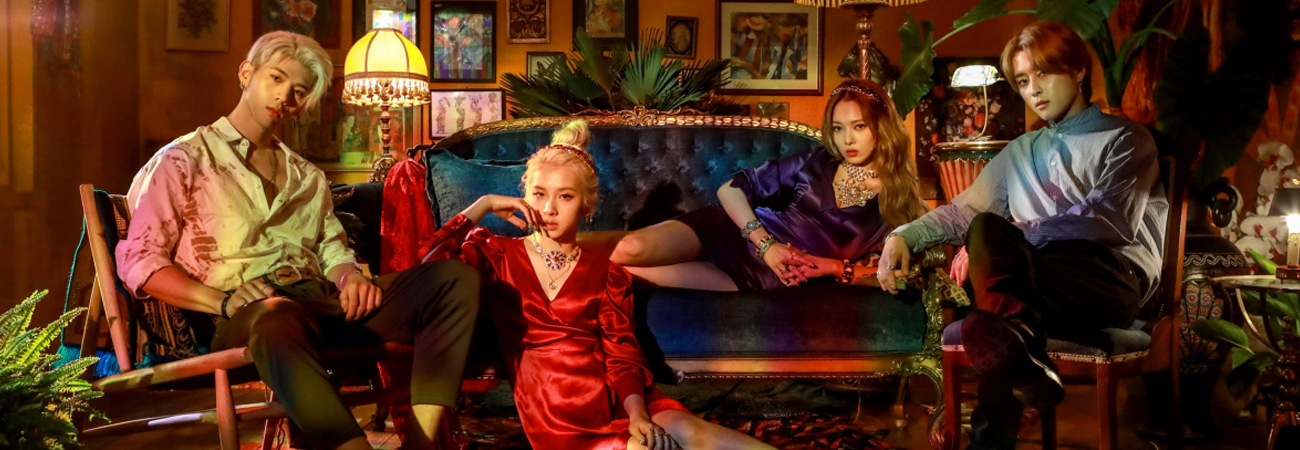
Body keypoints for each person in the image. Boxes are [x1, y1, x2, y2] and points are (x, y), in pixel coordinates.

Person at [116, 31, 480, 450]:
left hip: (320, 304)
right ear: (246, 73)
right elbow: (140, 261)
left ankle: (420, 442)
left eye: (299, 91)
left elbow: (332, 248)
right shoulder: (185, 159)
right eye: (276, 78)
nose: (284, 96)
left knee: (452, 280)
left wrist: (350, 279)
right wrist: (220, 301)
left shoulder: (307, 176)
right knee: (276, 314)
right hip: (247, 314)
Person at [877, 21, 1168, 449]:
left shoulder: (1125, 138)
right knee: (989, 252)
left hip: (1107, 282)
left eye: (1043, 73)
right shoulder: (1020, 151)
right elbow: (964, 213)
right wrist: (902, 236)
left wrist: (1021, 233)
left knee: (992, 303)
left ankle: (992, 430)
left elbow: (1108, 221)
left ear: (1078, 71)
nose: (1034, 90)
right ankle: (1020, 366)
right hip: (1035, 286)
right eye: (1023, 80)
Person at [423, 120, 777, 450]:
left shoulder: (607, 274)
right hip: (557, 415)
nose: (549, 209)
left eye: (565, 196)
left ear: (586, 207)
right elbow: (427, 268)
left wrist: (638, 415)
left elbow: (622, 356)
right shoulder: (497, 254)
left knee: (694, 431)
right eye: (539, 194)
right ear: (525, 195)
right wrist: (483, 205)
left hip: (620, 398)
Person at [608, 79, 928, 292]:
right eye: (838, 128)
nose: (848, 139)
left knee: (623, 277)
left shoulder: (896, 200)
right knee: (628, 249)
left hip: (760, 276)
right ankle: (574, 253)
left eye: (859, 126)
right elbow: (730, 189)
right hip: (732, 233)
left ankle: (575, 273)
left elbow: (903, 273)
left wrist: (833, 268)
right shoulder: (816, 161)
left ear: (881, 127)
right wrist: (767, 245)